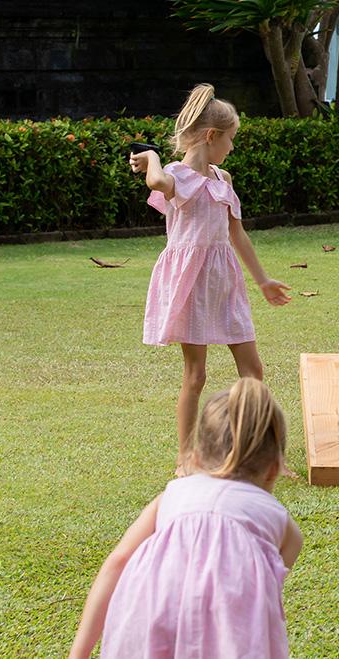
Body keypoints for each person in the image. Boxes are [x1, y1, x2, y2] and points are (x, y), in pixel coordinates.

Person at [68, 378, 303, 658]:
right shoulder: (276, 517)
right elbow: (267, 588)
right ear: (274, 469)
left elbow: (118, 562)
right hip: (228, 634)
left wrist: (78, 653)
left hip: (152, 613)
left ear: (195, 458)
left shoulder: (172, 495)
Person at [129, 84, 292, 474]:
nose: (232, 147)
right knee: (195, 375)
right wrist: (151, 156)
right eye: (231, 139)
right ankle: (187, 458)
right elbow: (156, 184)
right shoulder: (176, 176)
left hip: (225, 282)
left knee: (253, 371)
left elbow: (237, 233)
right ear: (211, 136)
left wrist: (263, 280)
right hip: (190, 285)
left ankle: (265, 453)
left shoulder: (223, 178)